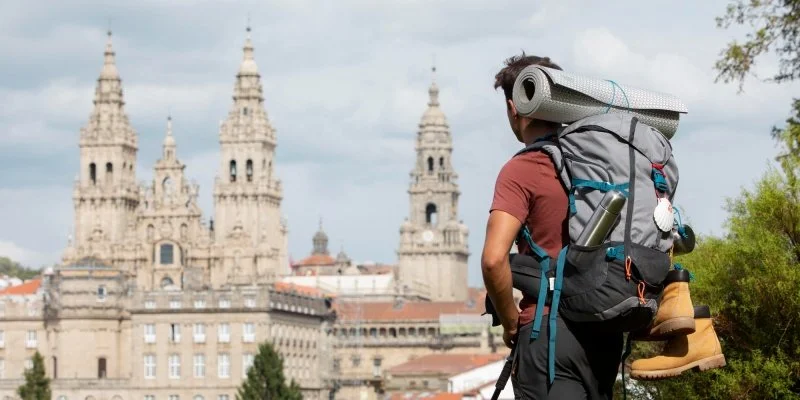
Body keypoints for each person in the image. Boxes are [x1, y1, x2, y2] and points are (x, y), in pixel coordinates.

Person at [481, 53, 623, 399]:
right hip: (605, 334)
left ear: (514, 109)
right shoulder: (599, 163)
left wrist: (511, 322)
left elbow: (493, 260)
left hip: (548, 335)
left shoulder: (523, 169)